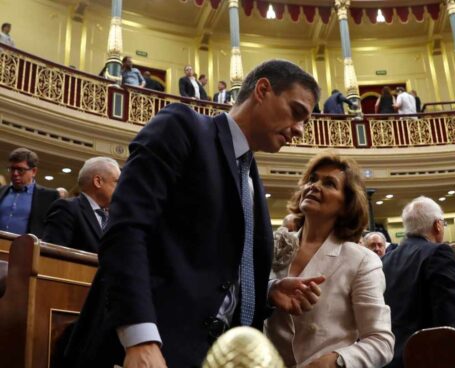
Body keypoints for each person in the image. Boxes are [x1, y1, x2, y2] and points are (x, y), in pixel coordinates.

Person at [63, 60, 326, 368]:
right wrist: (140, 337)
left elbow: (208, 264)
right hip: (146, 348)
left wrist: (267, 291)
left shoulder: (252, 178)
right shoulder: (183, 126)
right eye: (296, 113)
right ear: (263, 90)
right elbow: (126, 229)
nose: (300, 130)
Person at [266, 153, 393, 367]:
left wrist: (335, 361)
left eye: (329, 183)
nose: (314, 186)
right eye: (312, 179)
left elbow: (381, 342)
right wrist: (270, 292)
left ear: (347, 204)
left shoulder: (361, 260)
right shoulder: (273, 247)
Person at [383, 196, 455, 368]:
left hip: (388, 359)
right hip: (425, 359)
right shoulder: (438, 253)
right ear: (437, 225)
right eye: (443, 224)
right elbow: (451, 321)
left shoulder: (385, 260)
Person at [42, 157, 121, 253]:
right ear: (98, 181)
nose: (121, 188)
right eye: (117, 182)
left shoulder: (116, 217)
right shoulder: (66, 208)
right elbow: (52, 255)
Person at [0, 148, 59, 238]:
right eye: (12, 169)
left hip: (27, 249)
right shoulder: (1, 191)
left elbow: (53, 230)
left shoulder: (49, 196)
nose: (15, 173)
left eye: (20, 170)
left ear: (34, 171)